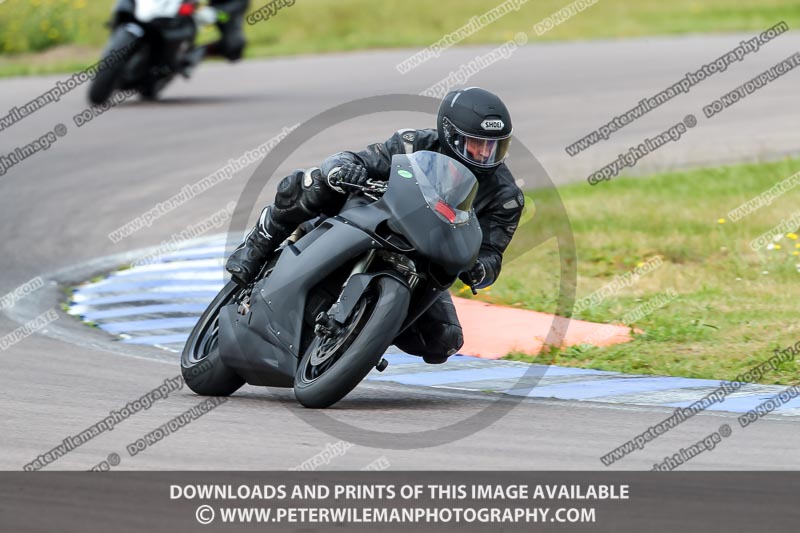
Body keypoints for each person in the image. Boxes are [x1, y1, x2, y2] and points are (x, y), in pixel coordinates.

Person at [226, 87, 525, 364]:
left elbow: (492, 254)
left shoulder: (507, 197)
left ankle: (363, 332)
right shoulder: (413, 143)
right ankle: (261, 239)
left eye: (494, 147)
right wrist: (345, 169)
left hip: (424, 261)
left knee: (444, 340)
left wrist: (479, 268)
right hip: (375, 218)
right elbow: (356, 158)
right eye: (476, 145)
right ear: (449, 135)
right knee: (314, 182)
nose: (485, 155)